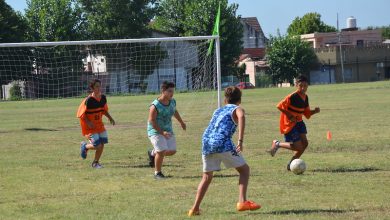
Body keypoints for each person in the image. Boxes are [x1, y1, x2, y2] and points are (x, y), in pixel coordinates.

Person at [188, 86, 261, 216]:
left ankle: (194, 209)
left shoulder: (218, 110)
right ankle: (242, 202)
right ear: (239, 100)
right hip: (222, 143)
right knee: (244, 170)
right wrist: (240, 141)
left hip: (207, 142)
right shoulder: (237, 108)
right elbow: (242, 116)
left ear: (225, 99)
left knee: (206, 177)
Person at [267, 75, 320, 170]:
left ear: (308, 85)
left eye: (305, 85)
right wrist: (289, 115)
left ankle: (291, 163)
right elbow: (279, 106)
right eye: (301, 86)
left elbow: (306, 113)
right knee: (298, 147)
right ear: (296, 85)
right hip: (290, 124)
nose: (303, 88)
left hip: (299, 122)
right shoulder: (292, 96)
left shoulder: (305, 97)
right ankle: (277, 144)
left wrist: (314, 111)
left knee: (305, 144)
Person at [147, 81, 186, 179]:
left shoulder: (172, 101)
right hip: (155, 130)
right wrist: (162, 132)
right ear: (163, 91)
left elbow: (174, 111)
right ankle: (157, 173)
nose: (171, 93)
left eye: (173, 91)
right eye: (169, 91)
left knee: (172, 151)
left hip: (167, 130)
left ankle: (152, 153)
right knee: (161, 150)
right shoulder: (155, 105)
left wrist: (181, 122)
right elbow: (152, 121)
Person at [77, 79, 115, 169]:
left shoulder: (103, 98)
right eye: (97, 86)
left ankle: (95, 163)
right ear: (92, 88)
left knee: (102, 143)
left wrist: (110, 118)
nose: (99, 88)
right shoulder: (88, 100)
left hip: (99, 125)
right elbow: (80, 114)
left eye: (99, 86)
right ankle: (85, 146)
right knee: (97, 145)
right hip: (90, 127)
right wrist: (88, 122)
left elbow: (104, 110)